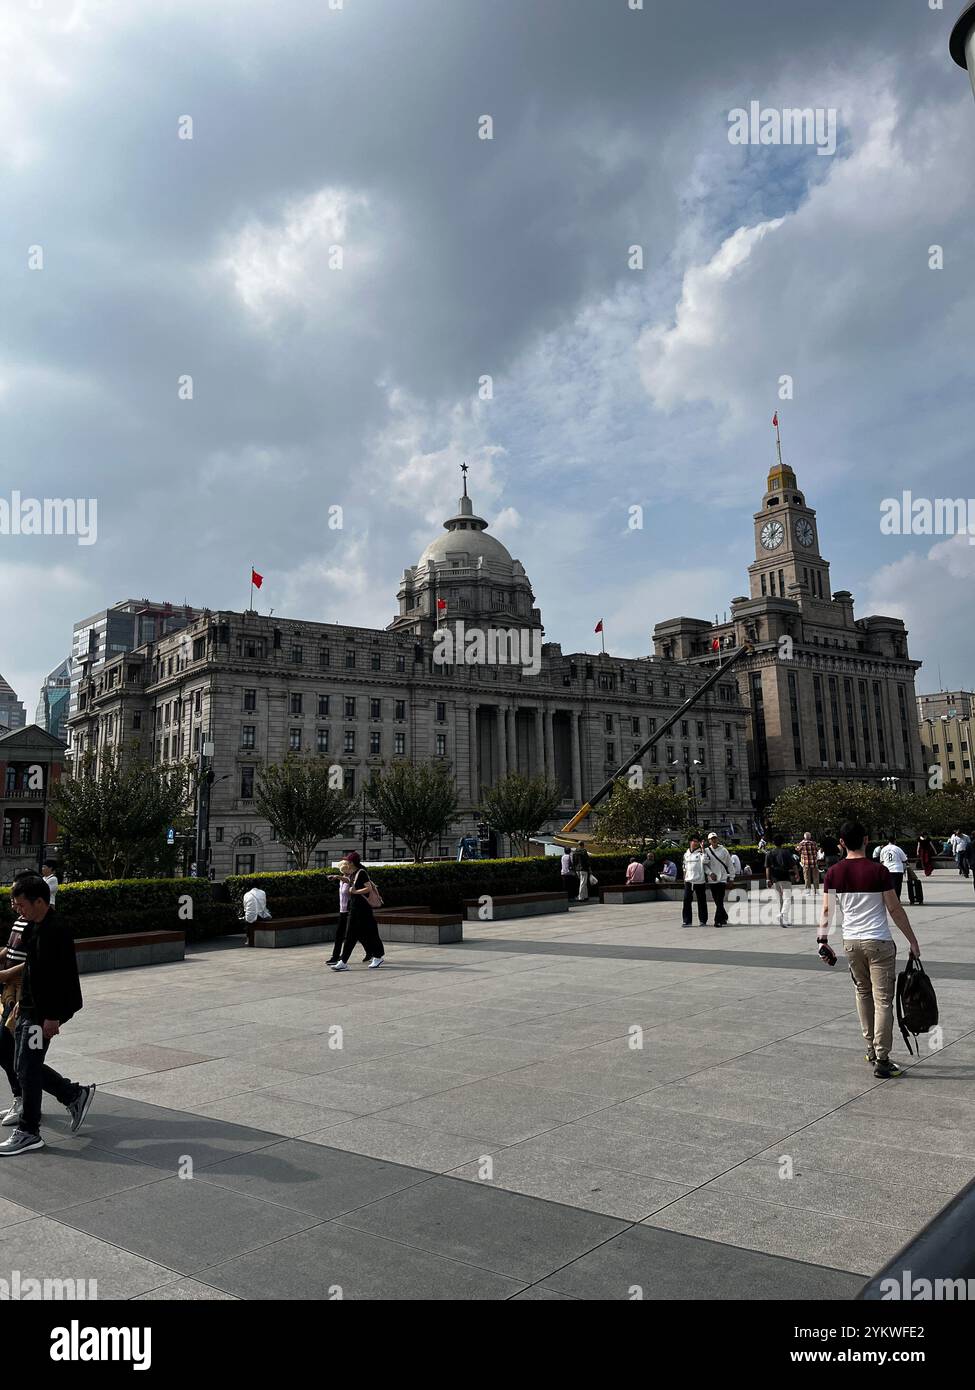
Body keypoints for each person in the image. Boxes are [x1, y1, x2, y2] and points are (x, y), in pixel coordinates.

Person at [0, 874, 94, 1155]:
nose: (17, 909)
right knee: (21, 1063)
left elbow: (59, 977)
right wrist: (22, 1002)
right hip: (30, 1007)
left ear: (39, 901)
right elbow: (32, 970)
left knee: (26, 1067)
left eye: (20, 904)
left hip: (47, 1012)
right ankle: (73, 1094)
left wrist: (52, 1018)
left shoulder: (56, 931)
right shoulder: (33, 925)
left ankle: (29, 1131)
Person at [819, 820, 921, 1079]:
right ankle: (882, 1058)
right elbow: (894, 909)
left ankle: (870, 1048)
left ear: (841, 842)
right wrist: (912, 940)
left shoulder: (833, 872)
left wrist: (822, 940)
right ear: (866, 839)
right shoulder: (879, 871)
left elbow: (827, 910)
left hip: (851, 942)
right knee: (883, 1000)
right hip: (879, 942)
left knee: (862, 993)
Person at [330, 852, 385, 971]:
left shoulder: (361, 872)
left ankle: (378, 956)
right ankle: (343, 961)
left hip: (363, 909)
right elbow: (350, 881)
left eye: (348, 862)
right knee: (350, 935)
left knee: (371, 932)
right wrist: (338, 877)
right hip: (355, 908)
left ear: (352, 863)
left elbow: (368, 888)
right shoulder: (354, 873)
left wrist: (355, 892)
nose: (346, 863)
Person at [0, 910, 28, 1128]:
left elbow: (37, 962)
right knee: (7, 1049)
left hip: (24, 991)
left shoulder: (41, 925)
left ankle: (71, 1093)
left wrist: (8, 974)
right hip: (11, 990)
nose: (14, 904)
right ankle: (21, 1098)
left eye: (19, 901)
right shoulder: (20, 920)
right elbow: (12, 952)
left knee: (21, 1056)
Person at [327, 857, 370, 966]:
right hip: (342, 911)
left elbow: (351, 883)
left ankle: (368, 952)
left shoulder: (353, 879)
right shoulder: (344, 880)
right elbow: (344, 880)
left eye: (343, 869)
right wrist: (337, 877)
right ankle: (335, 956)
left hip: (349, 911)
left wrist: (353, 890)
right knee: (340, 934)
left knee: (353, 935)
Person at [765, 834, 796, 927]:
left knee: (780, 899)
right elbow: (793, 865)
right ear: (782, 842)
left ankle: (784, 919)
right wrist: (797, 874)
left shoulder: (769, 853)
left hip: (775, 878)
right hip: (785, 877)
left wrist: (767, 879)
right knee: (788, 898)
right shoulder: (786, 852)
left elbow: (767, 868)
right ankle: (783, 915)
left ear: (773, 843)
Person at [703, 832, 733, 927]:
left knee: (720, 899)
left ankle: (717, 920)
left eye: (715, 838)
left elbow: (729, 864)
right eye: (712, 839)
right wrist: (710, 873)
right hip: (712, 879)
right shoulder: (706, 851)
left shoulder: (723, 850)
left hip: (722, 878)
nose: (714, 840)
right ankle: (724, 916)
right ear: (709, 841)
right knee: (716, 900)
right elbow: (704, 865)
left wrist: (731, 877)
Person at [681, 838, 709, 927]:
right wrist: (684, 878)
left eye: (698, 842)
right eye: (694, 841)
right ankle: (687, 921)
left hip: (699, 881)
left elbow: (705, 861)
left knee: (701, 901)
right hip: (689, 881)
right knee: (686, 901)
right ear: (690, 842)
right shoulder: (686, 854)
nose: (696, 843)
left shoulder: (701, 853)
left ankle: (703, 920)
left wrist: (703, 850)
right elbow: (684, 867)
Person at [878, 835, 908, 901]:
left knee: (888, 885)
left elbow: (881, 860)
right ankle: (897, 899)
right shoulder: (897, 848)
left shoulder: (884, 849)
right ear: (894, 841)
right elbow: (904, 859)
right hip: (897, 869)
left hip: (887, 869)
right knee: (897, 885)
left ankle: (889, 899)